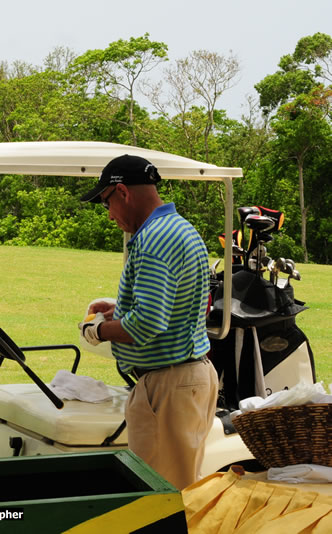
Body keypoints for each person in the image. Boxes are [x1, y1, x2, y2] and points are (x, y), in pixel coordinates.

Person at [78, 154, 218, 490]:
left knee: (159, 501)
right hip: (184, 379)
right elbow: (176, 309)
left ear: (122, 192)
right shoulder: (178, 228)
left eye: (106, 203)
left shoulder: (154, 240)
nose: (109, 214)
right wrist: (118, 311)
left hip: (168, 386)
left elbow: (146, 325)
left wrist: (97, 331)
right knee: (179, 491)